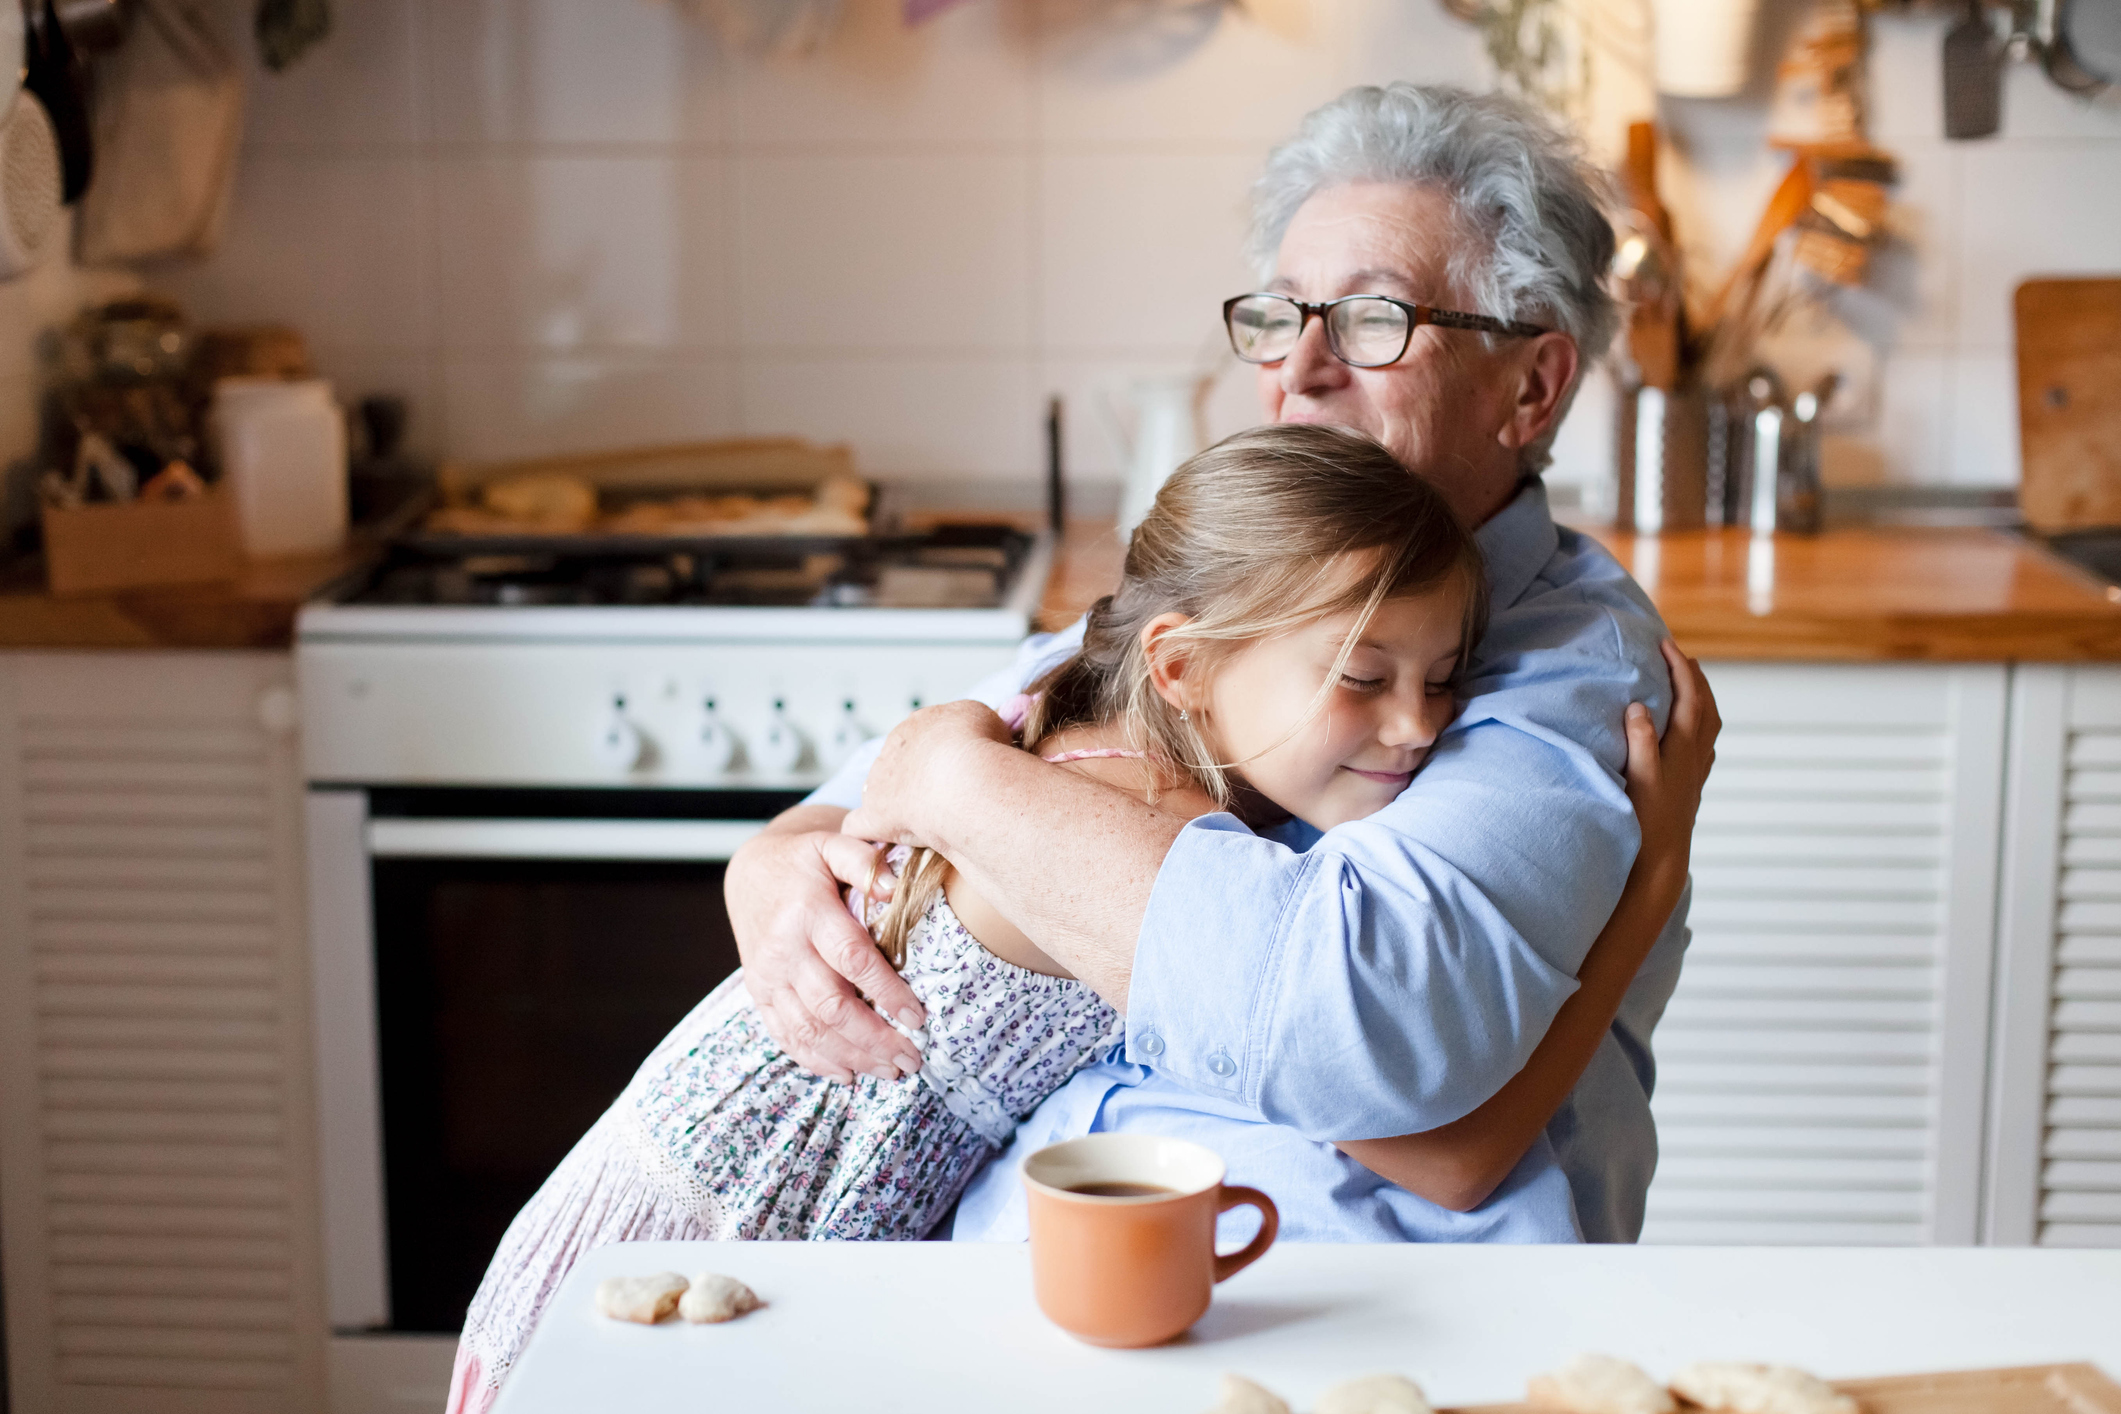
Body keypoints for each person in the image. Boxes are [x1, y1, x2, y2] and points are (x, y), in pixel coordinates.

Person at [445, 425, 1712, 1412]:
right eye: (1362, 678)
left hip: (762, 1218)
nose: (1420, 728)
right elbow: (1444, 1151)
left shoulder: (1125, 739)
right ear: (1177, 666)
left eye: (1444, 680)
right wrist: (1649, 883)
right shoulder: (1133, 828)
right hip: (704, 1224)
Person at [727, 82, 1699, 1245]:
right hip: (1034, 1288)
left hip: (1349, 1323)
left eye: (1375, 320)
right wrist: (771, 867)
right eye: (1281, 317)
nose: (1303, 368)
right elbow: (848, 814)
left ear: (1531, 388)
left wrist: (959, 784)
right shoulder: (1245, 582)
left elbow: (1371, 1035)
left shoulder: (1572, 665)